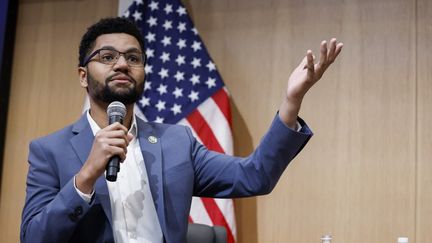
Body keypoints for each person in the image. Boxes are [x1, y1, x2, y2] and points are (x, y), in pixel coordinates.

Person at [20, 17, 343, 243]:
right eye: (107, 57)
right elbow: (34, 237)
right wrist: (86, 177)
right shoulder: (49, 151)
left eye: (133, 58)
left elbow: (254, 176)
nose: (122, 64)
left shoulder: (176, 142)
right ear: (82, 75)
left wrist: (291, 100)